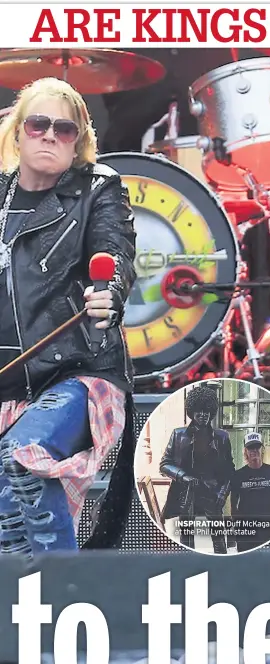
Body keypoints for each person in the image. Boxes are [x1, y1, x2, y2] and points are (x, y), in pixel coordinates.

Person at [0, 77, 138, 558]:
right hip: (8, 382)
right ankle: (26, 608)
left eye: (64, 128)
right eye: (39, 124)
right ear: (18, 132)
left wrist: (109, 292)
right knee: (7, 510)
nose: (50, 136)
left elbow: (114, 251)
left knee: (19, 457)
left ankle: (67, 595)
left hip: (77, 370)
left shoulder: (97, 188)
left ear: (78, 141)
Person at [159, 385, 235, 553]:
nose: (203, 416)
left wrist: (222, 494)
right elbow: (164, 464)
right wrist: (184, 477)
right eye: (199, 412)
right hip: (187, 491)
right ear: (192, 412)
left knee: (218, 538)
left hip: (212, 491)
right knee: (186, 538)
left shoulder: (222, 437)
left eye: (206, 412)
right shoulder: (178, 434)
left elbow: (230, 470)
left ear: (211, 412)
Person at [230, 432, 270, 553]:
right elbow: (233, 506)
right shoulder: (238, 475)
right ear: (245, 451)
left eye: (256, 447)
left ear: (262, 449)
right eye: (250, 448)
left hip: (267, 532)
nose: (254, 450)